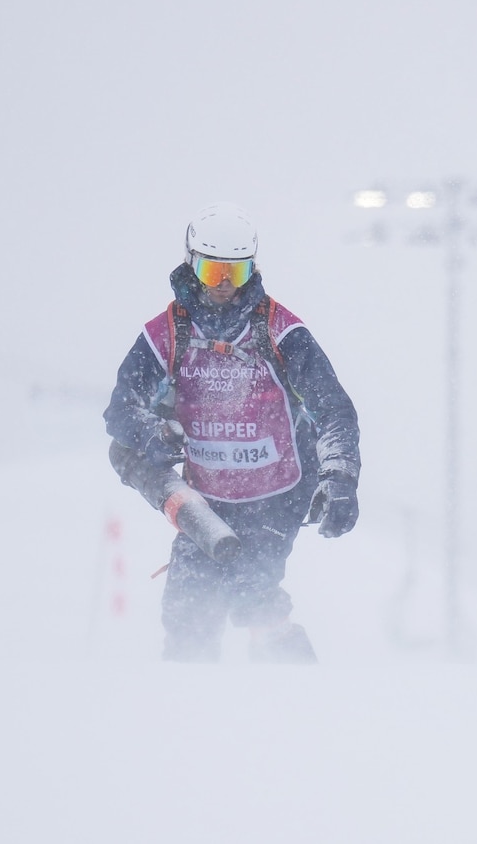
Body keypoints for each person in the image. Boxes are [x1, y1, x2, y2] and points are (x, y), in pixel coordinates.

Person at [104, 203, 362, 663]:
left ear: (253, 269)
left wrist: (339, 479)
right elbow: (120, 410)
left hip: (277, 493)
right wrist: (154, 434)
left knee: (252, 594)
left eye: (236, 273)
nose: (224, 285)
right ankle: (189, 709)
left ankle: (298, 695)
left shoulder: (279, 331)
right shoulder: (167, 334)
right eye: (213, 270)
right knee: (187, 611)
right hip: (207, 499)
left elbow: (333, 408)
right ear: (192, 264)